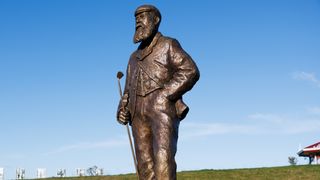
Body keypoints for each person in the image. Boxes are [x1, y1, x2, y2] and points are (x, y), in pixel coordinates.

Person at [117, 4, 200, 180]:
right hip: (137, 112)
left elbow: (190, 70)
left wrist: (166, 94)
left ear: (156, 20)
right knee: (144, 165)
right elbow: (127, 91)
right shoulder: (133, 57)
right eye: (136, 19)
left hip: (161, 108)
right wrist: (122, 110)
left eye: (143, 17)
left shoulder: (168, 44)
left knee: (163, 159)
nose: (138, 21)